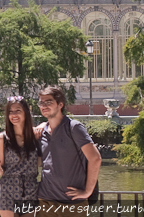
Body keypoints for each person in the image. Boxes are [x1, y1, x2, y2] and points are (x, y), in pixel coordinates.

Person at [34, 85, 101, 216]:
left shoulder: (73, 127)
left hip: (72, 203)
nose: (44, 105)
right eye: (41, 102)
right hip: (45, 201)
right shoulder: (41, 132)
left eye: (48, 102)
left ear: (60, 104)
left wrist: (87, 191)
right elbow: (39, 162)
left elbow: (95, 158)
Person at [0, 96, 40, 217]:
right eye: (10, 112)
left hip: (30, 190)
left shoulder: (36, 136)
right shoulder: (1, 139)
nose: (14, 115)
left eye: (18, 110)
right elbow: (1, 168)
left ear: (26, 112)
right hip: (8, 191)